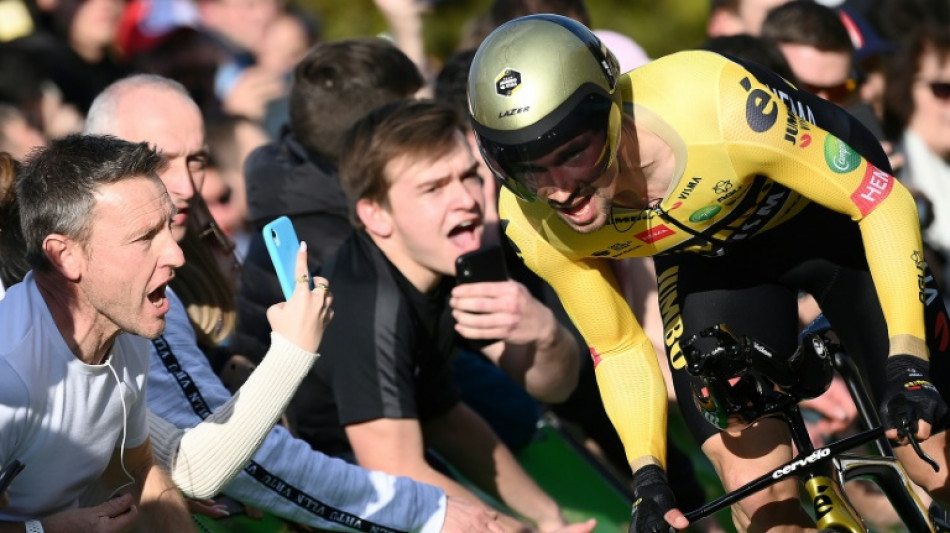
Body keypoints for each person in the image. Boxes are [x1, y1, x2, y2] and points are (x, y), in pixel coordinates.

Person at [467, 14, 950, 532]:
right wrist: (647, 477)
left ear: (608, 108)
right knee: (758, 494)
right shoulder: (532, 219)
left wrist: (907, 366)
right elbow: (618, 347)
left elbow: (880, 202)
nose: (559, 189)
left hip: (836, 225)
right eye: (527, 167)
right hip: (718, 265)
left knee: (933, 454)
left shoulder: (716, 106)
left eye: (573, 154)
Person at [83, 73, 503, 533]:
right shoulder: (115, 283)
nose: (185, 185)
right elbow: (209, 463)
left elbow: (173, 455)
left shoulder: (150, 267)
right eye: (159, 160)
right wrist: (427, 511)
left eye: (198, 160)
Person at [290, 98, 592, 533]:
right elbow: (396, 474)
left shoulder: (447, 262)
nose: (466, 200)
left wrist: (548, 336)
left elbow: (451, 418)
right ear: (375, 214)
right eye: (434, 188)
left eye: (469, 175)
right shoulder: (368, 307)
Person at [0, 134, 195, 531]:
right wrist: (46, 531)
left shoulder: (126, 325)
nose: (176, 255)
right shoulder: (8, 377)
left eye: (169, 227)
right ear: (65, 255)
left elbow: (139, 469)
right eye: (145, 237)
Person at [236, 37, 425, 356]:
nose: (427, 130)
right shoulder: (341, 253)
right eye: (414, 115)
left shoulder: (305, 194)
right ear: (377, 137)